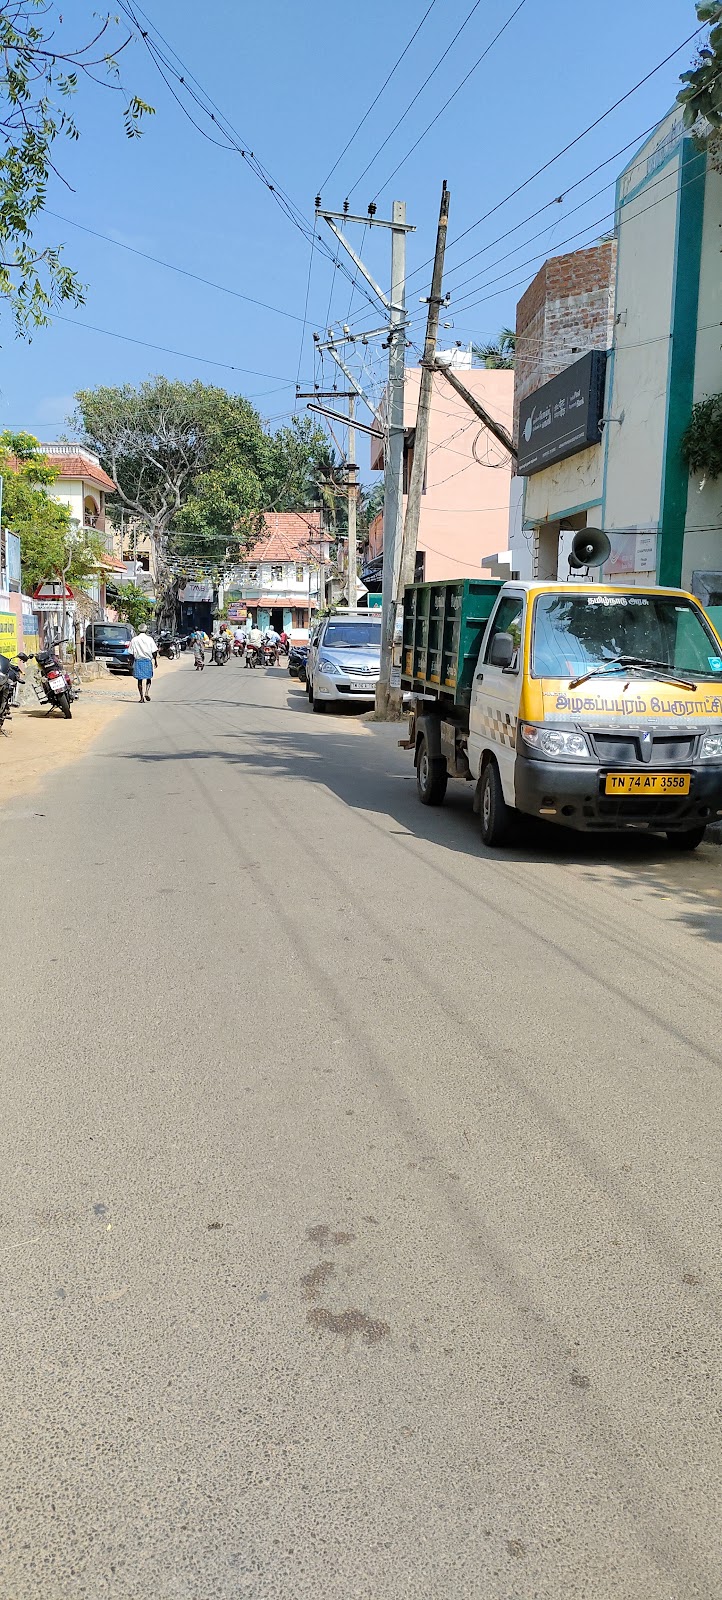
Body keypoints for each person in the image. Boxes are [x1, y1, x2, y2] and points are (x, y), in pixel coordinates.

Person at [127, 625, 158, 702]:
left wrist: (131, 661)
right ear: (146, 630)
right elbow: (154, 651)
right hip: (147, 661)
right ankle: (147, 692)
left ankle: (141, 698)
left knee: (139, 680)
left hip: (138, 661)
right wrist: (155, 661)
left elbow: (131, 653)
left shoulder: (134, 640)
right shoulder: (150, 639)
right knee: (149, 678)